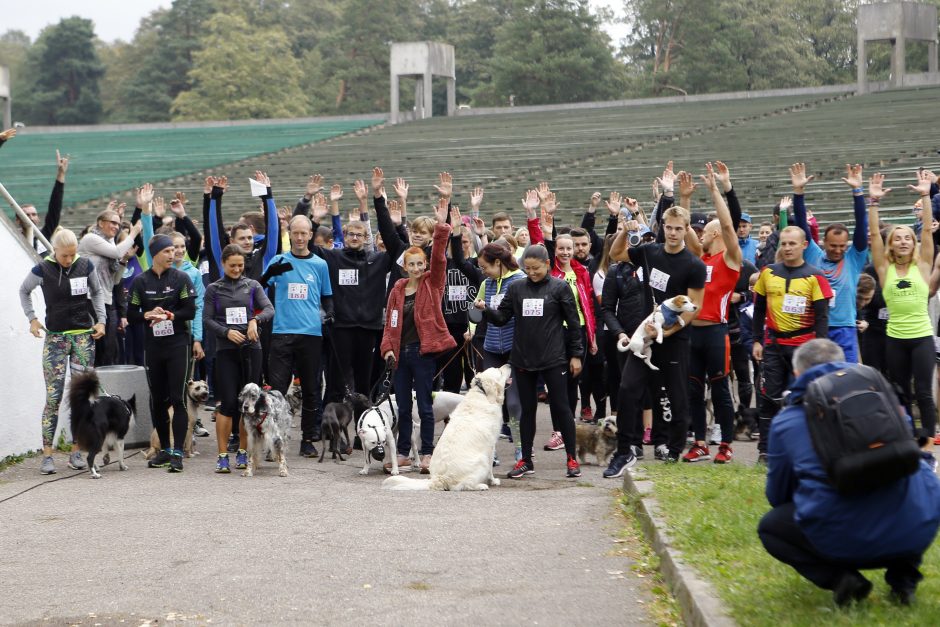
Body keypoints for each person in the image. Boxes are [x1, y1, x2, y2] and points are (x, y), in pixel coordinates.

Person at [758, 339, 940, 607]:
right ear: (844, 363)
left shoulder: (787, 421)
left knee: (771, 527)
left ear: (798, 374)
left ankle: (843, 579)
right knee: (914, 482)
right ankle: (904, 581)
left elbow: (778, 494)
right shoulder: (885, 398)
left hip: (843, 541)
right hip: (914, 529)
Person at [605, 198, 706, 476]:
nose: (672, 233)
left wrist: (668, 331)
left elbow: (693, 309)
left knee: (677, 396)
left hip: (674, 338)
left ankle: (674, 450)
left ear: (686, 229)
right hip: (645, 335)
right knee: (627, 389)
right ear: (662, 227)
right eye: (668, 227)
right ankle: (625, 451)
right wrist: (626, 229)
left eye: (678, 228)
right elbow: (616, 255)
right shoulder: (650, 251)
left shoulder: (693, 264)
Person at [480, 244, 584, 479]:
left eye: (536, 268)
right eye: (527, 268)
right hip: (523, 358)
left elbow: (574, 323)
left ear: (547, 265)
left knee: (562, 408)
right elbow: (502, 318)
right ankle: (525, 459)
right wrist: (485, 309)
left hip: (553, 358)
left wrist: (576, 355)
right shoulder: (517, 288)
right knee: (527, 411)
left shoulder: (560, 288)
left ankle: (571, 458)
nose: (532, 273)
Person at [19, 229, 106, 475]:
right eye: (65, 255)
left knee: (82, 398)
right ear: (54, 251)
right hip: (56, 339)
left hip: (82, 338)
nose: (69, 260)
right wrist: (32, 319)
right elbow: (24, 291)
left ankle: (76, 451)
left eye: (72, 255)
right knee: (54, 398)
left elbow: (97, 292)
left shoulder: (85, 265)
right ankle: (47, 455)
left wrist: (101, 320)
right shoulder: (42, 269)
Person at [381, 200, 456, 472]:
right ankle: (402, 454)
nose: (415, 268)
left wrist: (441, 227)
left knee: (424, 406)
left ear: (424, 265)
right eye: (410, 264)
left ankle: (426, 454)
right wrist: (387, 348)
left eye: (419, 264)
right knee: (402, 407)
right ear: (405, 266)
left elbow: (439, 257)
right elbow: (390, 323)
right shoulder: (398, 289)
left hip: (423, 353)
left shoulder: (432, 283)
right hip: (400, 355)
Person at [867, 171, 937, 450]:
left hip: (921, 338)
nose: (904, 241)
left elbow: (929, 231)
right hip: (894, 338)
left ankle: (928, 441)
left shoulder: (923, 266)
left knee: (923, 392)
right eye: (898, 238)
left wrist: (925, 195)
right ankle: (906, 437)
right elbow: (873, 234)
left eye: (908, 237)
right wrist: (873, 201)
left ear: (914, 242)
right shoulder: (884, 270)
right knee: (900, 392)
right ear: (891, 244)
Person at [752, 225, 832, 463]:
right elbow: (758, 309)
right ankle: (765, 450)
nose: (787, 248)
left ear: (804, 245)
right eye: (783, 244)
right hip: (774, 344)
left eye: (792, 244)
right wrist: (757, 340)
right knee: (768, 397)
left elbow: (822, 317)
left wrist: (820, 348)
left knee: (807, 397)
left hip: (805, 347)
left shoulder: (816, 276)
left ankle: (810, 448)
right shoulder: (768, 272)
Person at [682, 163, 741, 464]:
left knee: (719, 390)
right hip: (693, 332)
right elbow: (684, 231)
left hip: (717, 332)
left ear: (716, 234)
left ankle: (726, 445)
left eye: (706, 231)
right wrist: (685, 199)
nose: (701, 234)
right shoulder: (699, 258)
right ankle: (700, 442)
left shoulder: (729, 258)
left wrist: (715, 191)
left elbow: (730, 226)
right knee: (693, 390)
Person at [262, 215, 333, 457]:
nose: (300, 237)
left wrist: (329, 314)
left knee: (312, 389)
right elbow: (260, 287)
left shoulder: (319, 265)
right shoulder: (279, 260)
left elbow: (327, 296)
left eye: (305, 233)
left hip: (310, 335)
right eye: (296, 233)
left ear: (311, 235)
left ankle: (308, 439)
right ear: (289, 234)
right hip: (282, 333)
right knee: (278, 391)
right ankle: (275, 440)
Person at [127, 234, 197, 473]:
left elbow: (190, 310)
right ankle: (165, 450)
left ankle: (178, 452)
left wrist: (168, 315)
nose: (173, 254)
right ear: (154, 254)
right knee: (157, 400)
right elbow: (132, 313)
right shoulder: (140, 282)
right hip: (154, 347)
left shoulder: (182, 278)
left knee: (177, 399)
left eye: (173, 251)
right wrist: (147, 315)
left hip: (178, 344)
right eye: (167, 251)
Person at [203, 244, 274, 473]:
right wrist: (225, 332)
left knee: (248, 404)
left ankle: (244, 452)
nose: (236, 269)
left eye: (240, 265)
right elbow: (207, 319)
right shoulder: (214, 288)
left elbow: (269, 309)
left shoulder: (252, 286)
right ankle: (223, 455)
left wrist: (255, 321)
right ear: (223, 264)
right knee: (227, 403)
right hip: (226, 351)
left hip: (252, 350)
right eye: (232, 265)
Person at [792, 163, 869, 363]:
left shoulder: (853, 258)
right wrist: (798, 192)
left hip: (845, 328)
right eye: (833, 245)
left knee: (847, 376)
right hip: (816, 327)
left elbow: (862, 226)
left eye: (842, 246)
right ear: (824, 242)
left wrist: (857, 192)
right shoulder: (813, 254)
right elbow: (801, 224)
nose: (837, 250)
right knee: (818, 378)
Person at [78, 204, 144, 366]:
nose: (116, 226)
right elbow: (115, 252)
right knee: (94, 348)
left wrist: (123, 261)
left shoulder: (109, 243)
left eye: (118, 224)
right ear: (100, 223)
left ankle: (105, 388)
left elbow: (114, 280)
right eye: (112, 223)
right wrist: (134, 233)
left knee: (108, 349)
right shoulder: (90, 239)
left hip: (106, 300)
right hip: (89, 299)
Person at [16, 150, 68, 254]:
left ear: (38, 218)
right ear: (18, 220)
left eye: (34, 214)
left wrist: (61, 174)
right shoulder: (14, 239)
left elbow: (54, 208)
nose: (31, 218)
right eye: (26, 215)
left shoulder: (44, 234)